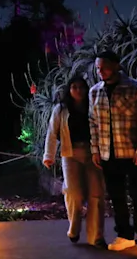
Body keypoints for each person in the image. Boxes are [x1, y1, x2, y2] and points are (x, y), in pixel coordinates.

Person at [89, 50, 137, 259]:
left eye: (104, 67)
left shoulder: (136, 88)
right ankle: (124, 234)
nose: (100, 71)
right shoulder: (95, 91)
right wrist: (95, 149)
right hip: (108, 153)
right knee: (117, 196)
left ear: (116, 65)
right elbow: (93, 122)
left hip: (132, 152)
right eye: (98, 67)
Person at [43, 74, 105, 247]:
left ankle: (96, 236)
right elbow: (52, 132)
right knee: (73, 193)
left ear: (86, 89)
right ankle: (74, 228)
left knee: (96, 194)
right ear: (69, 90)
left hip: (93, 153)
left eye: (81, 87)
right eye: (74, 87)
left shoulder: (93, 107)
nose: (78, 90)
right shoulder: (61, 109)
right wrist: (49, 155)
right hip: (70, 154)